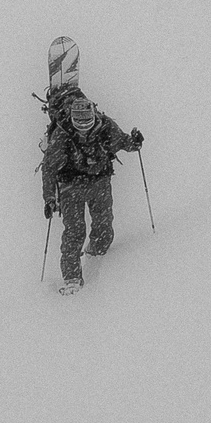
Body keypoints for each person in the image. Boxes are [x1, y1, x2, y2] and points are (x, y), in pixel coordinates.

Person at [42, 94, 142, 292]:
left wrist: (135, 142)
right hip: (71, 188)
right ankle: (71, 279)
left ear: (94, 116)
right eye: (79, 123)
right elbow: (49, 168)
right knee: (74, 232)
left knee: (104, 225)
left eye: (87, 122)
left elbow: (121, 142)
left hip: (99, 183)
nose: (83, 127)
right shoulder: (62, 134)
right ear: (72, 120)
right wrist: (50, 198)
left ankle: (97, 255)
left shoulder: (105, 127)